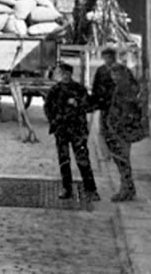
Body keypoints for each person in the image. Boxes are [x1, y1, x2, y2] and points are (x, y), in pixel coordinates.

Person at [91, 46, 146, 202]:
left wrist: (121, 126)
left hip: (123, 129)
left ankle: (126, 189)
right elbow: (97, 92)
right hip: (112, 123)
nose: (113, 78)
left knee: (122, 159)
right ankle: (127, 187)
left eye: (116, 75)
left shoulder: (127, 88)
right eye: (112, 75)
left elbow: (131, 109)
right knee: (118, 158)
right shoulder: (108, 77)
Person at [45, 63, 99, 201]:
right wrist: (54, 122)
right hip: (61, 130)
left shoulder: (79, 89)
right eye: (62, 73)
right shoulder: (55, 90)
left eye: (66, 73)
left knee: (82, 159)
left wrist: (77, 103)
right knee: (64, 160)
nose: (64, 76)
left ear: (71, 74)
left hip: (77, 130)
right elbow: (48, 108)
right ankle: (66, 188)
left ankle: (90, 189)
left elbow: (89, 106)